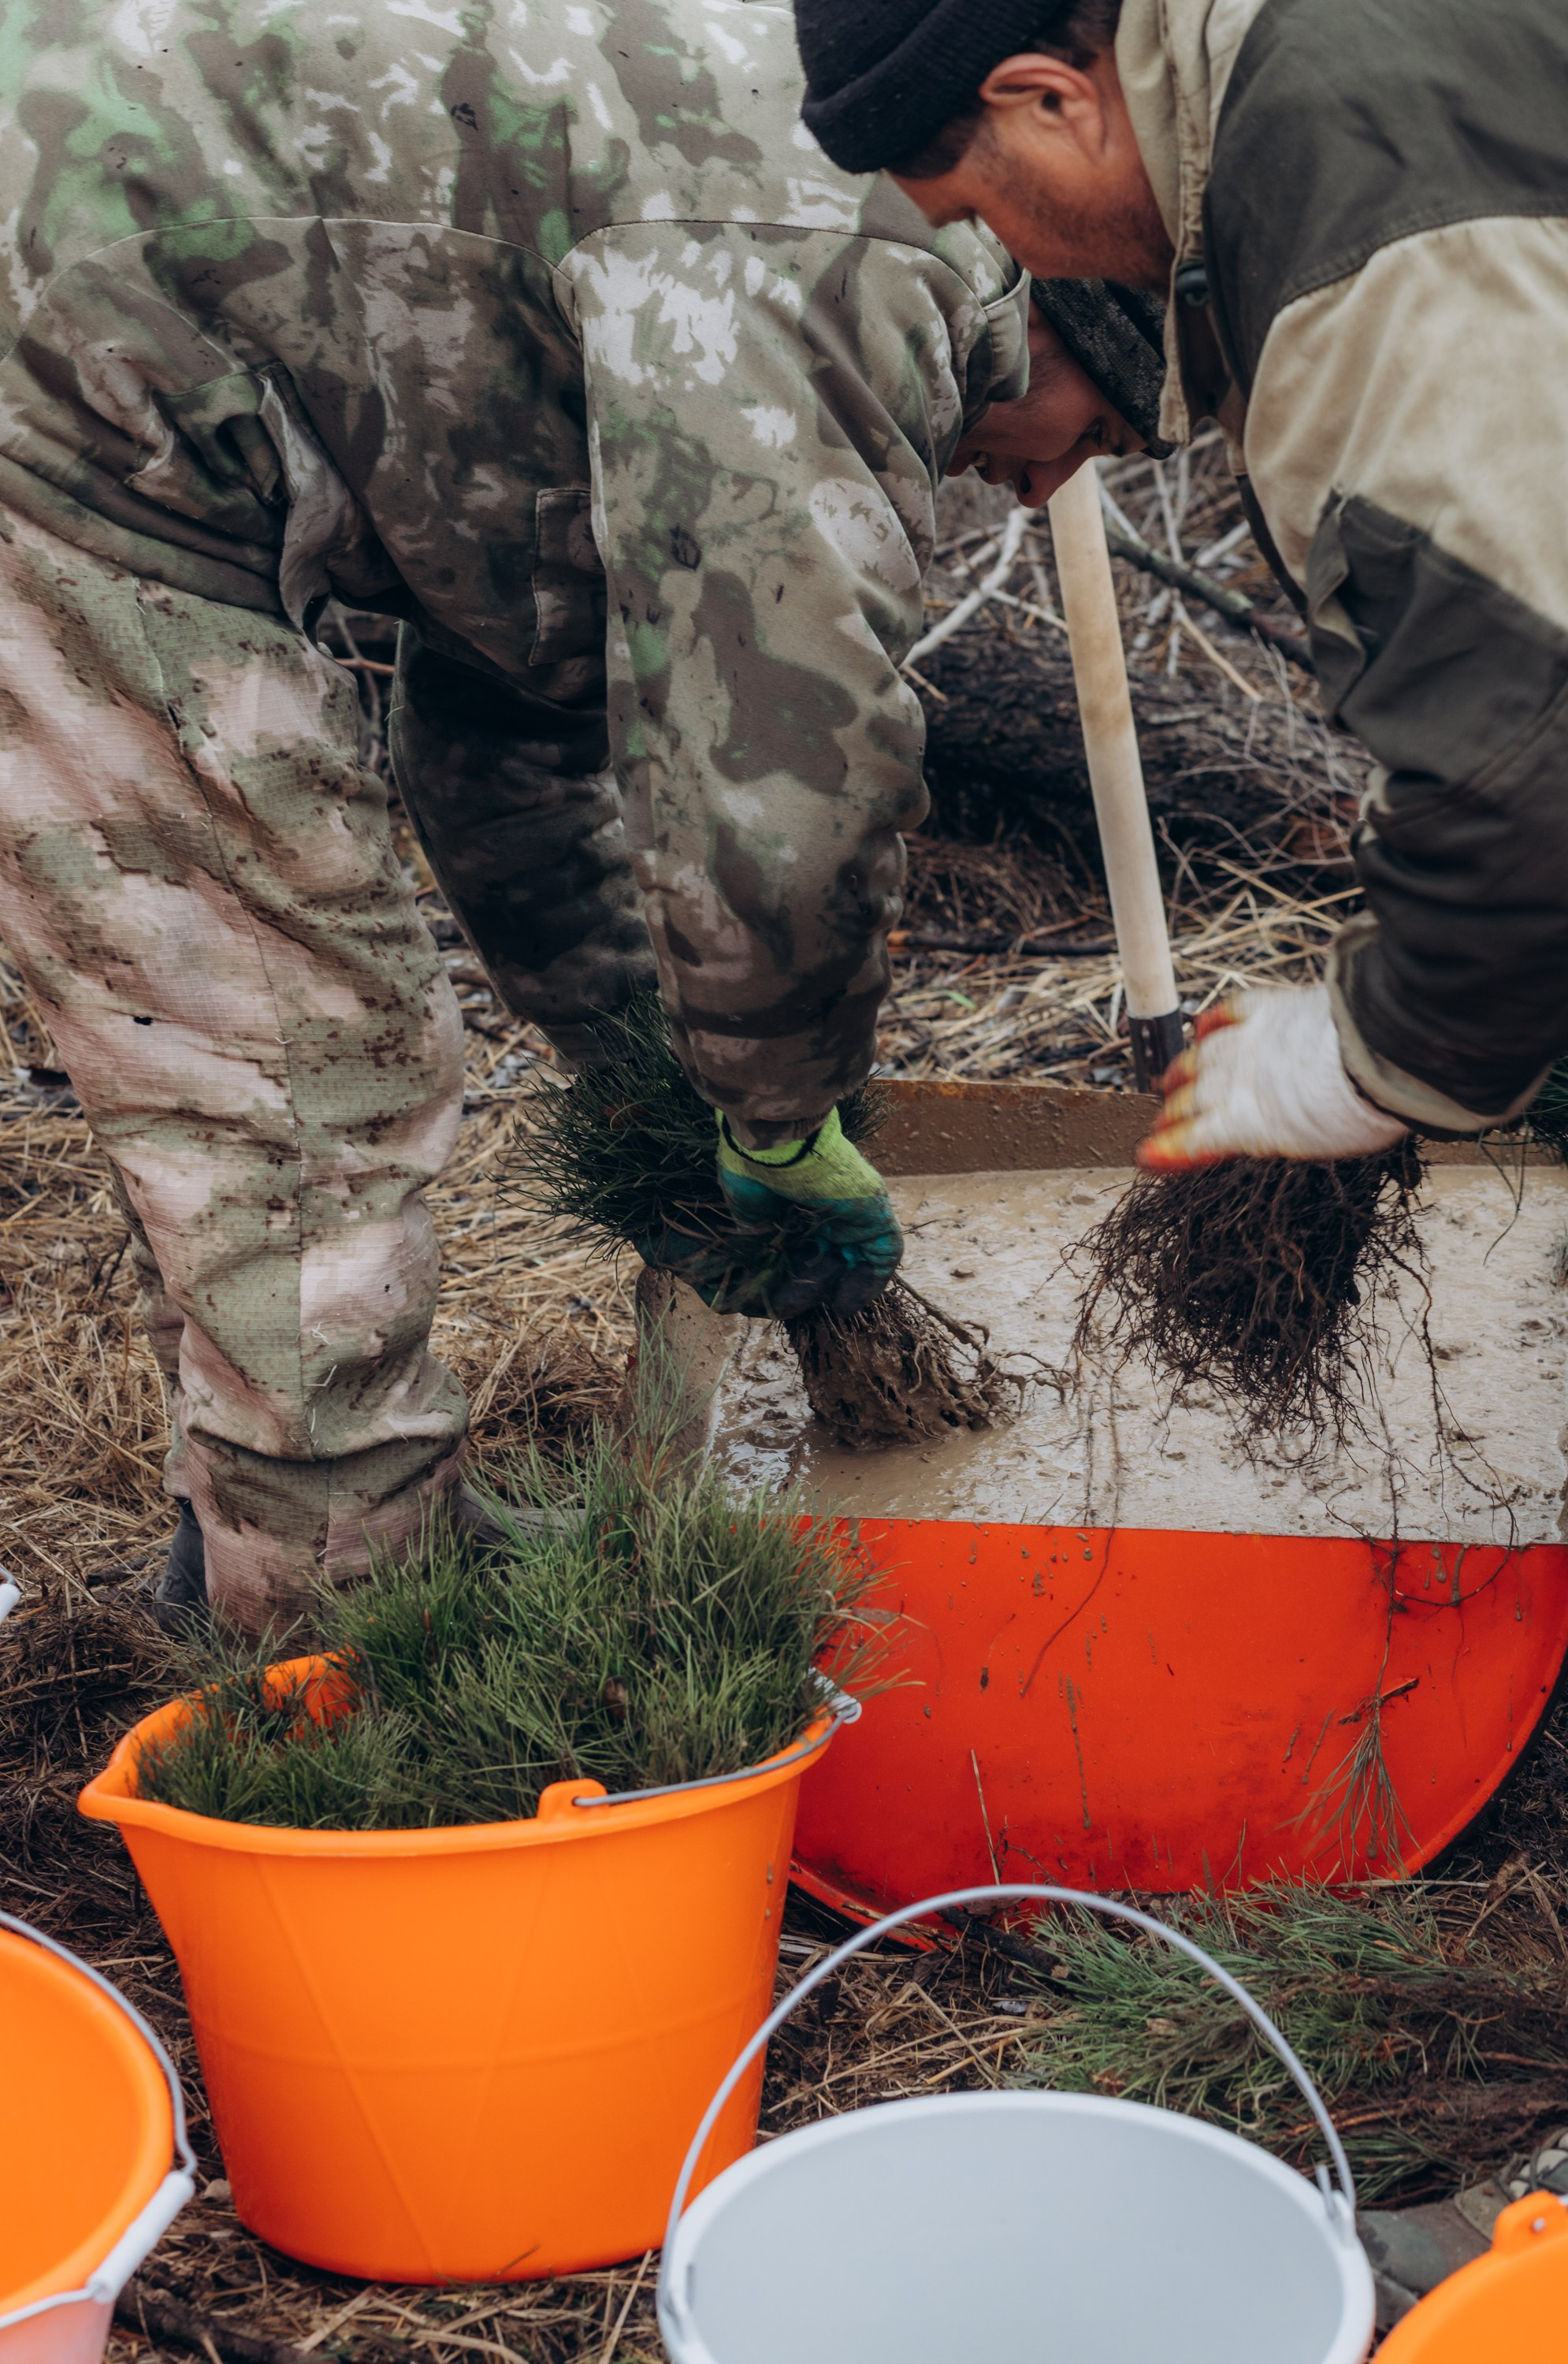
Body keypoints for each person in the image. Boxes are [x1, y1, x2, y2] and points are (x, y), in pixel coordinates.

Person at [0, 0, 1146, 1630]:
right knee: (296, 1058)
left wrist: (648, 1080)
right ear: (1059, 300)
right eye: (1092, 434)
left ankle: (260, 1539)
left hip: (113, 315)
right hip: (62, 373)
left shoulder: (695, 299)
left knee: (262, 1052)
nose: (1043, 486)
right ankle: (353, 1644)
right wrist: (777, 1116)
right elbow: (781, 796)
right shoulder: (851, 276)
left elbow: (510, 753)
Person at [791, 0, 1568, 1171]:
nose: (1028, 271)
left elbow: (1531, 753)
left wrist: (1383, 1053)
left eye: (981, 213)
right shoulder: (1325, 74)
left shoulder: (1345, 199)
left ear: (1051, 100)